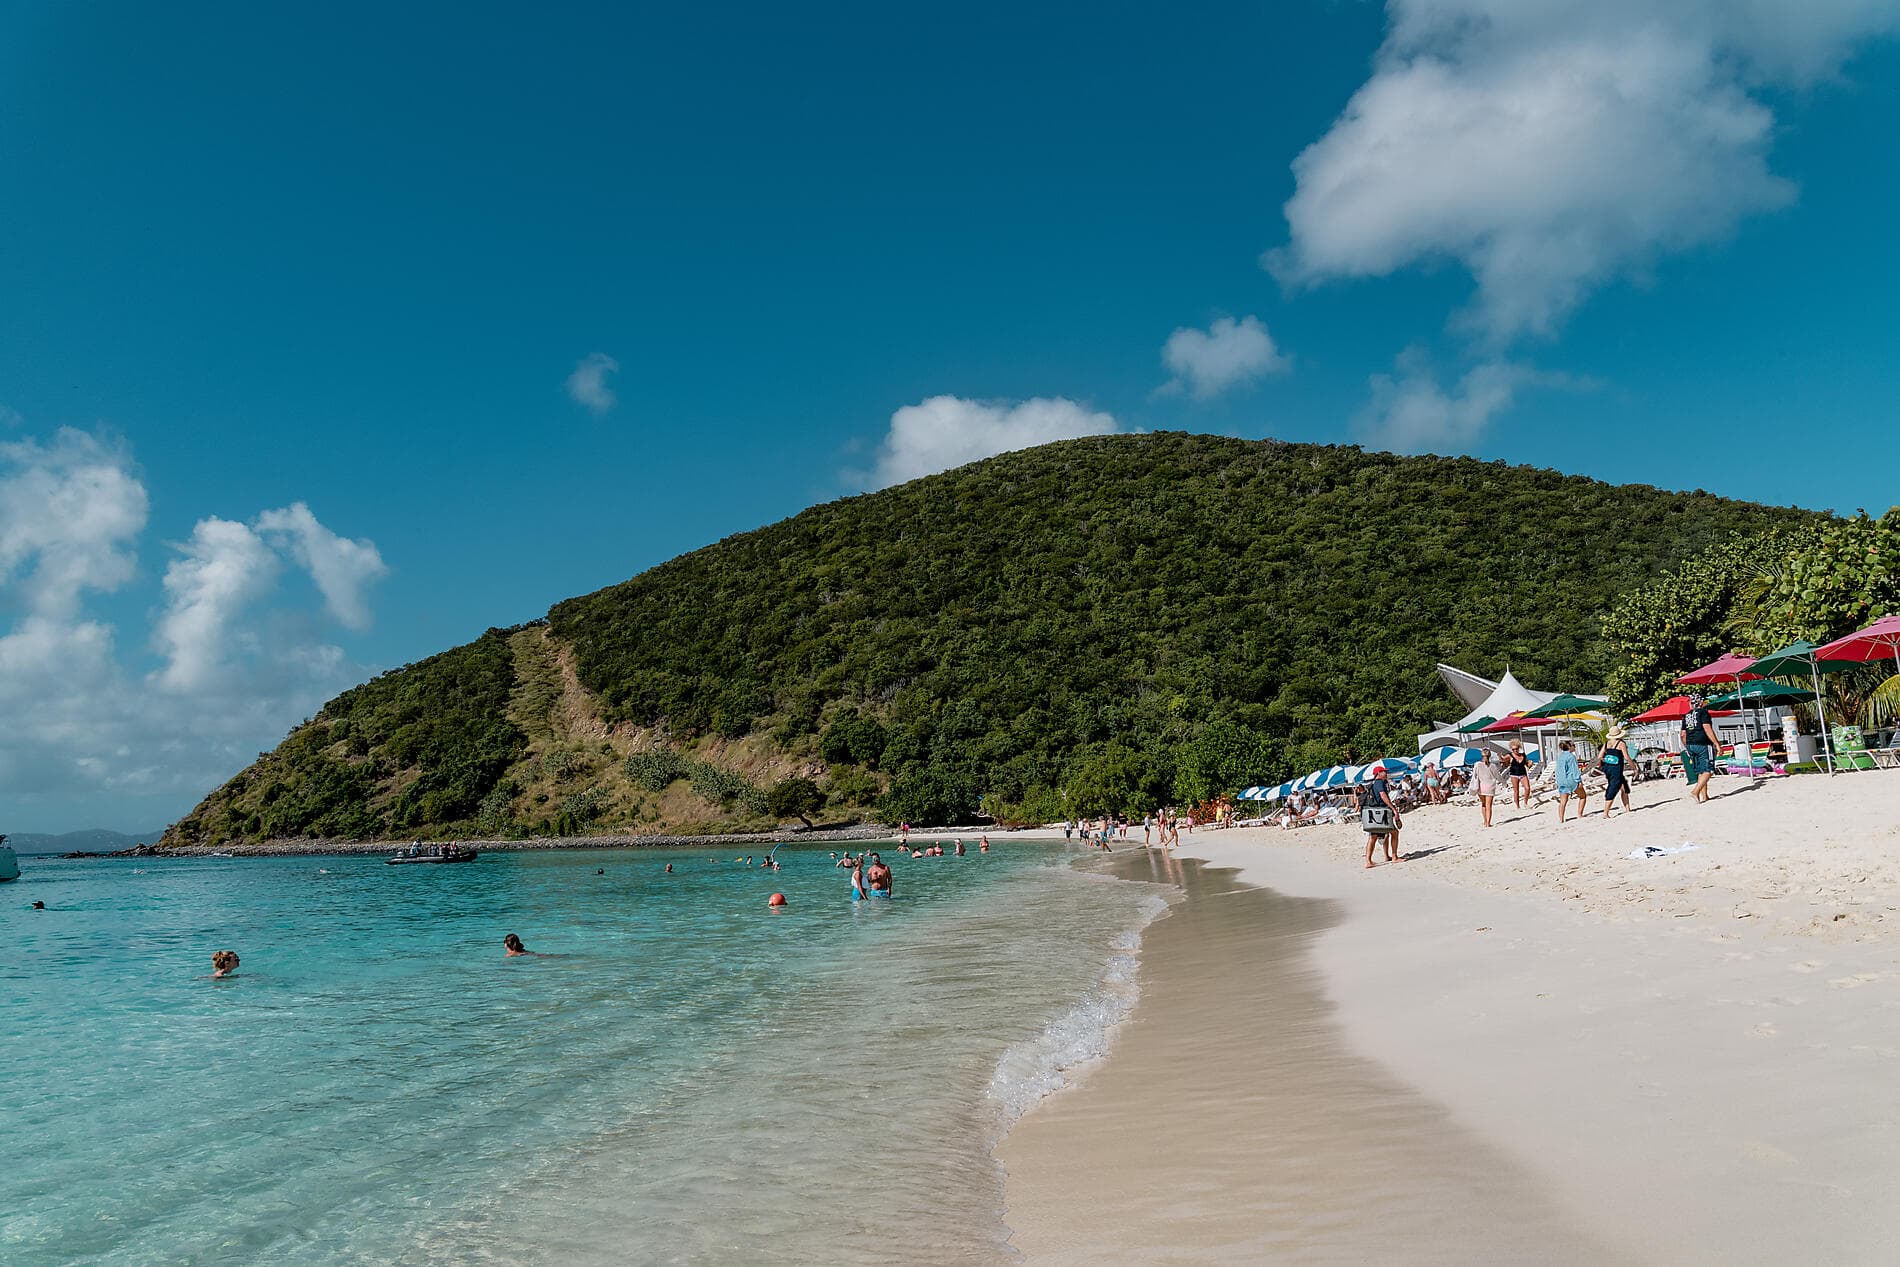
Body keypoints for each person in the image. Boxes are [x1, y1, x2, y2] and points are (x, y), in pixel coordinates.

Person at [1358, 768, 1402, 868]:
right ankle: (1394, 857)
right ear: (1378, 773)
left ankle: (1370, 861)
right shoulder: (1380, 783)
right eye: (1384, 772)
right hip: (1382, 813)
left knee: (1374, 836)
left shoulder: (1375, 783)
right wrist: (1393, 809)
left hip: (1374, 814)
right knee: (1394, 832)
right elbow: (1383, 796)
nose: (1386, 773)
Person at [1682, 692, 1720, 803]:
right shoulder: (1703, 712)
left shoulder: (1686, 715)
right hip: (1703, 743)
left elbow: (1682, 734)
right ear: (1701, 703)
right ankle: (1695, 791)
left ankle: (1704, 796)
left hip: (1690, 744)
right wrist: (1717, 744)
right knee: (1709, 769)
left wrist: (1687, 746)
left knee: (1700, 771)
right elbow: (1707, 728)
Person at [1596, 724, 1635, 818]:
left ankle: (1627, 809)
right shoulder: (1621, 744)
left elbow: (1600, 756)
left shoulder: (1606, 743)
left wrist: (1607, 760)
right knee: (1613, 788)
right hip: (1616, 769)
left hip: (1608, 768)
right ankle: (1605, 813)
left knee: (1624, 787)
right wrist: (1633, 767)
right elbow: (1626, 757)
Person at [1552, 740, 1587, 823]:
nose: (1574, 747)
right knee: (1583, 796)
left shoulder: (1560, 757)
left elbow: (1558, 770)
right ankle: (1580, 814)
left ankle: (1561, 819)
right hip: (1571, 780)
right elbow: (1574, 770)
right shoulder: (1571, 756)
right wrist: (1579, 781)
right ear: (1569, 747)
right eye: (1573, 745)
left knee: (1563, 801)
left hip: (1562, 781)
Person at [1472, 752, 1500, 827]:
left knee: (1483, 804)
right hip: (1490, 787)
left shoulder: (1477, 764)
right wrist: (1504, 783)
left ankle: (1485, 821)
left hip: (1480, 787)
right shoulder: (1492, 766)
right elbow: (1498, 776)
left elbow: (1474, 775)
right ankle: (1488, 823)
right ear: (1490, 756)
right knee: (1489, 806)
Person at [1505, 742, 1531, 808]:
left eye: (1516, 749)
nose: (1515, 750)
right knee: (1516, 791)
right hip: (1514, 774)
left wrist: (1530, 764)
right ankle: (1517, 806)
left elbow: (1527, 763)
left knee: (1527, 788)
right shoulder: (1509, 755)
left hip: (1523, 774)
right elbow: (1503, 759)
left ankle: (1525, 803)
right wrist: (1500, 757)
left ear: (1519, 748)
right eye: (1513, 749)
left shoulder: (1523, 755)